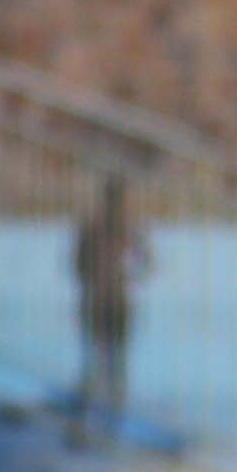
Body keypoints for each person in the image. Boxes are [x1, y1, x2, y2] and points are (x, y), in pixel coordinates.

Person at [67, 175, 144, 442]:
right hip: (107, 302)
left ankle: (102, 427)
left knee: (104, 366)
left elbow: (77, 266)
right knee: (104, 367)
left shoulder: (118, 229)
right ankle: (97, 427)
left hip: (105, 302)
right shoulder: (118, 229)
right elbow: (78, 266)